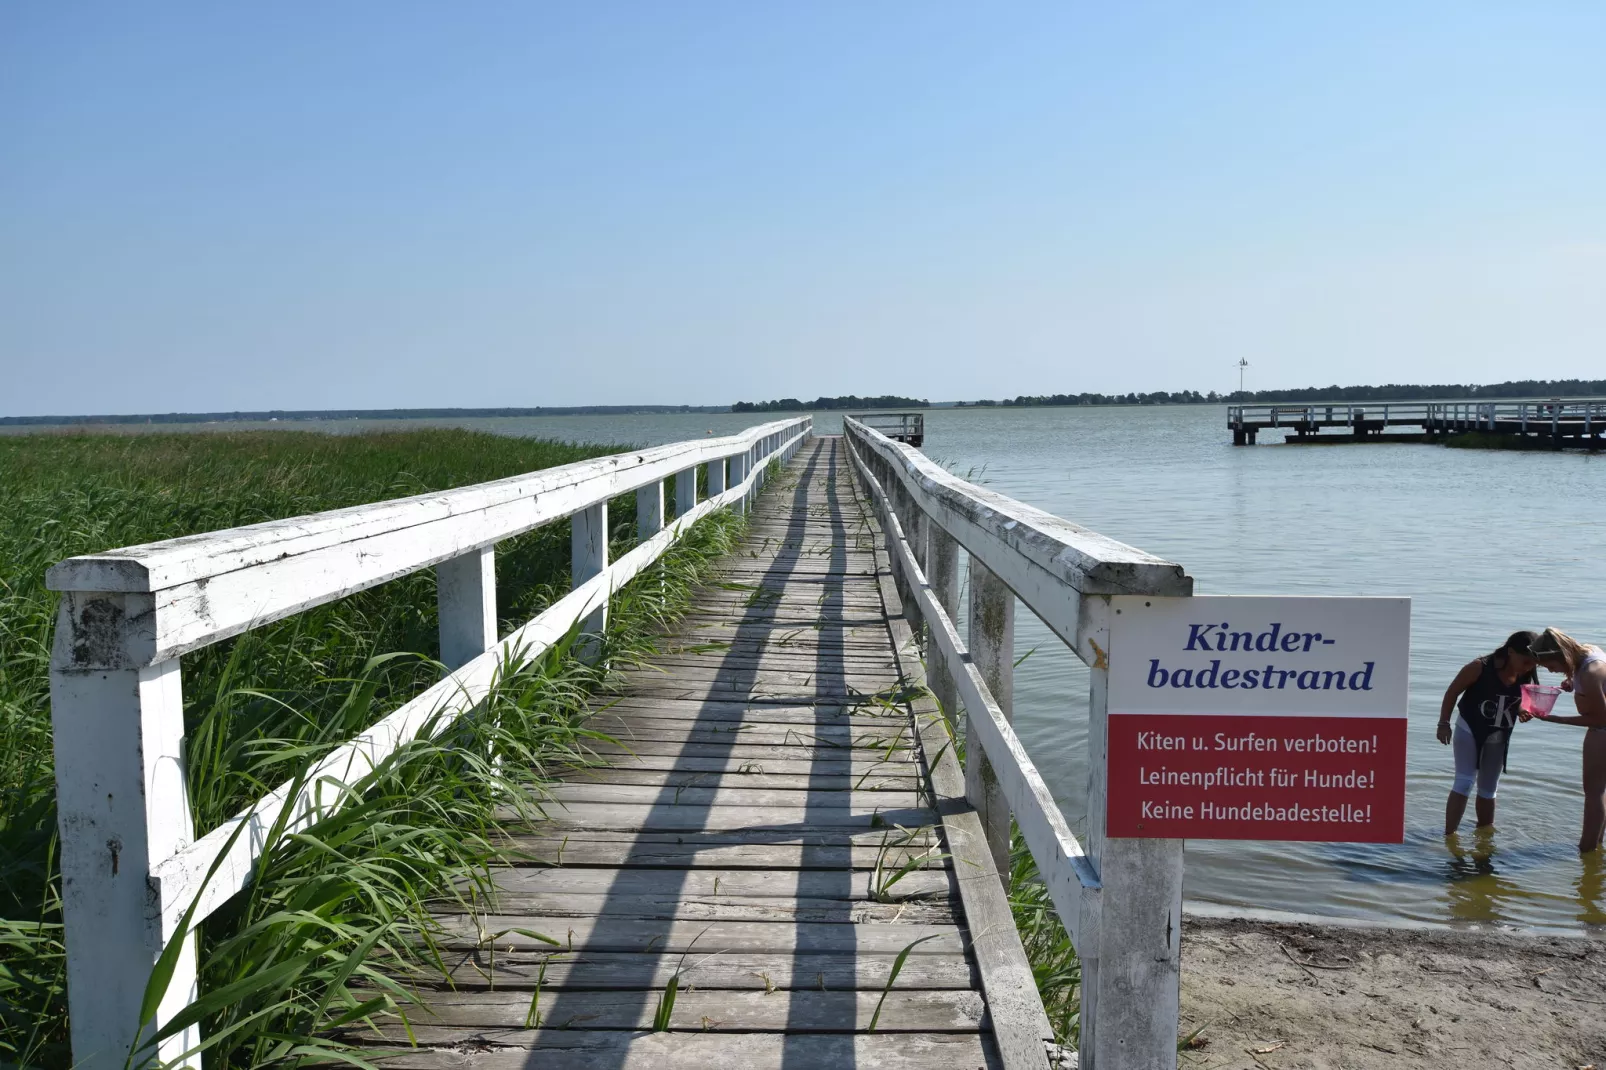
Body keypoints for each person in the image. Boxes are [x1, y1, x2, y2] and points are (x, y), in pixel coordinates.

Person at [1436, 630, 1538, 834]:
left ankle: (1484, 836)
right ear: (1510, 652)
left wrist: (1521, 711)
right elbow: (1452, 692)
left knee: (1489, 789)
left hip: (1499, 735)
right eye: (1526, 661)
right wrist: (1443, 723)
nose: (1530, 667)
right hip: (1469, 728)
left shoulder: (1525, 672)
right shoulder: (1479, 667)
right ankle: (1449, 836)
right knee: (1464, 782)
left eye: (1533, 663)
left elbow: (1515, 699)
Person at [1525, 628, 1606, 853]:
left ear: (1562, 656)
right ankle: (1595, 847)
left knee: (1594, 792)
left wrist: (1554, 718)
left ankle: (1587, 849)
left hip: (1601, 730)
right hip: (1599, 728)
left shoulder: (1591, 672)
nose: (1550, 671)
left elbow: (1601, 717)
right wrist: (1572, 681)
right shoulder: (1587, 652)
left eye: (1550, 665)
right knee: (1597, 790)